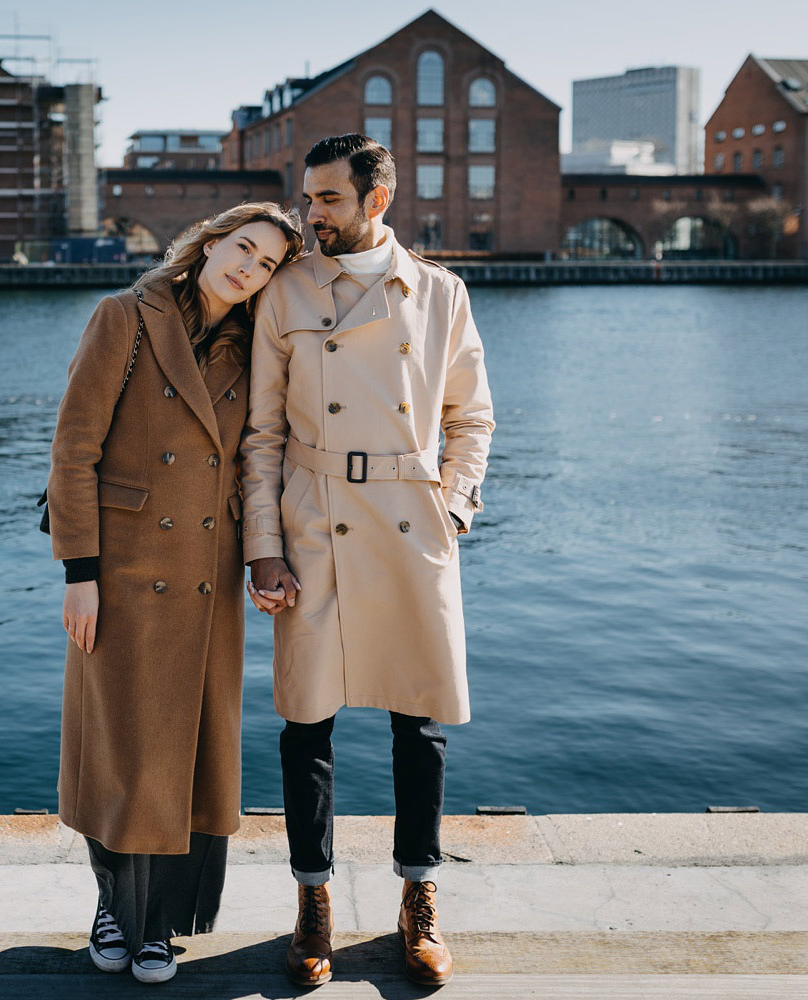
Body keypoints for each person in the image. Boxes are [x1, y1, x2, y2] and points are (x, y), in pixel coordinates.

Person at [240, 134, 494, 988]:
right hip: (312, 522)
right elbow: (262, 435)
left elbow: (472, 419)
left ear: (377, 199)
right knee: (305, 724)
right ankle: (313, 902)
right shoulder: (285, 291)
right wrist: (263, 549)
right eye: (308, 199)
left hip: (410, 523)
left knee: (416, 724)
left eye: (329, 201)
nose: (312, 215)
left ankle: (418, 898)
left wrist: (453, 508)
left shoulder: (441, 295)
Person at [46, 202, 304, 984]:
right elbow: (73, 449)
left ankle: (156, 925)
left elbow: (264, 455)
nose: (248, 268)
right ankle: (113, 906)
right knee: (117, 753)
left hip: (204, 574)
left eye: (265, 265)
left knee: (187, 761)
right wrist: (79, 574)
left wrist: (268, 556)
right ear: (210, 240)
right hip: (119, 574)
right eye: (243, 248)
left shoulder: (254, 347)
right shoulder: (124, 316)